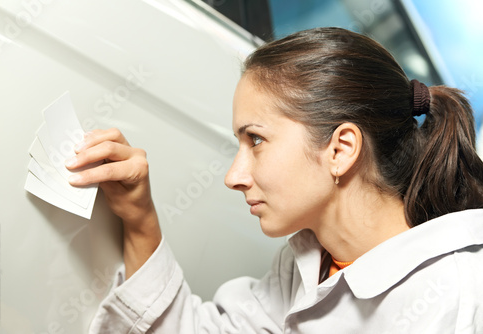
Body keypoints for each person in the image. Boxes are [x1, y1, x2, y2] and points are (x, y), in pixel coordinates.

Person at [66, 27, 483, 333]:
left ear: (340, 150)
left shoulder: (459, 298)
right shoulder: (306, 263)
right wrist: (140, 218)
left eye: (256, 140)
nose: (234, 176)